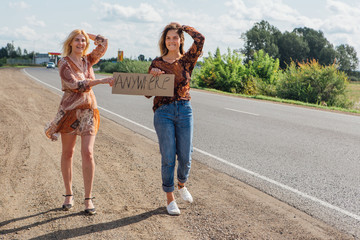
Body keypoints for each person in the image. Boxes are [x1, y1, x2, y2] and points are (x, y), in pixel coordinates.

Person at [45, 29, 114, 215]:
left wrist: (86, 32)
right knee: (68, 153)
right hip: (70, 112)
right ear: (70, 43)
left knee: (88, 152)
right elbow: (77, 85)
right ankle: (68, 194)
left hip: (89, 111)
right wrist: (101, 81)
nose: (81, 43)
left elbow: (104, 43)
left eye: (83, 41)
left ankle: (88, 199)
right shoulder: (64, 63)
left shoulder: (88, 60)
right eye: (77, 40)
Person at [148, 23, 205, 215]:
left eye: (175, 37)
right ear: (164, 41)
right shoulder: (156, 63)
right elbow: (147, 93)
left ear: (180, 40)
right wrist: (153, 77)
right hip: (163, 112)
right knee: (168, 157)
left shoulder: (187, 60)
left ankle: (181, 184)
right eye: (168, 38)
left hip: (184, 110)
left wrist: (183, 27)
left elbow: (200, 39)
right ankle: (170, 198)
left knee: (186, 157)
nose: (172, 41)